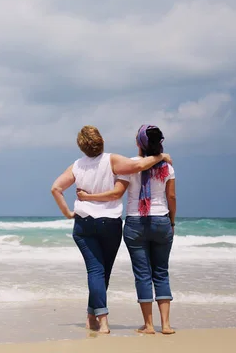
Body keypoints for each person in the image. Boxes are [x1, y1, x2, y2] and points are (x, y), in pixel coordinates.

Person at [51, 125, 172, 334]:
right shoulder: (111, 160)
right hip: (110, 223)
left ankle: (95, 317)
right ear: (102, 141)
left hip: (84, 224)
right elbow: (138, 166)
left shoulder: (77, 165)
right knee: (102, 271)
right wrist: (161, 155)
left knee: (96, 271)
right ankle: (98, 318)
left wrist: (68, 213)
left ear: (81, 147)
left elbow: (56, 188)